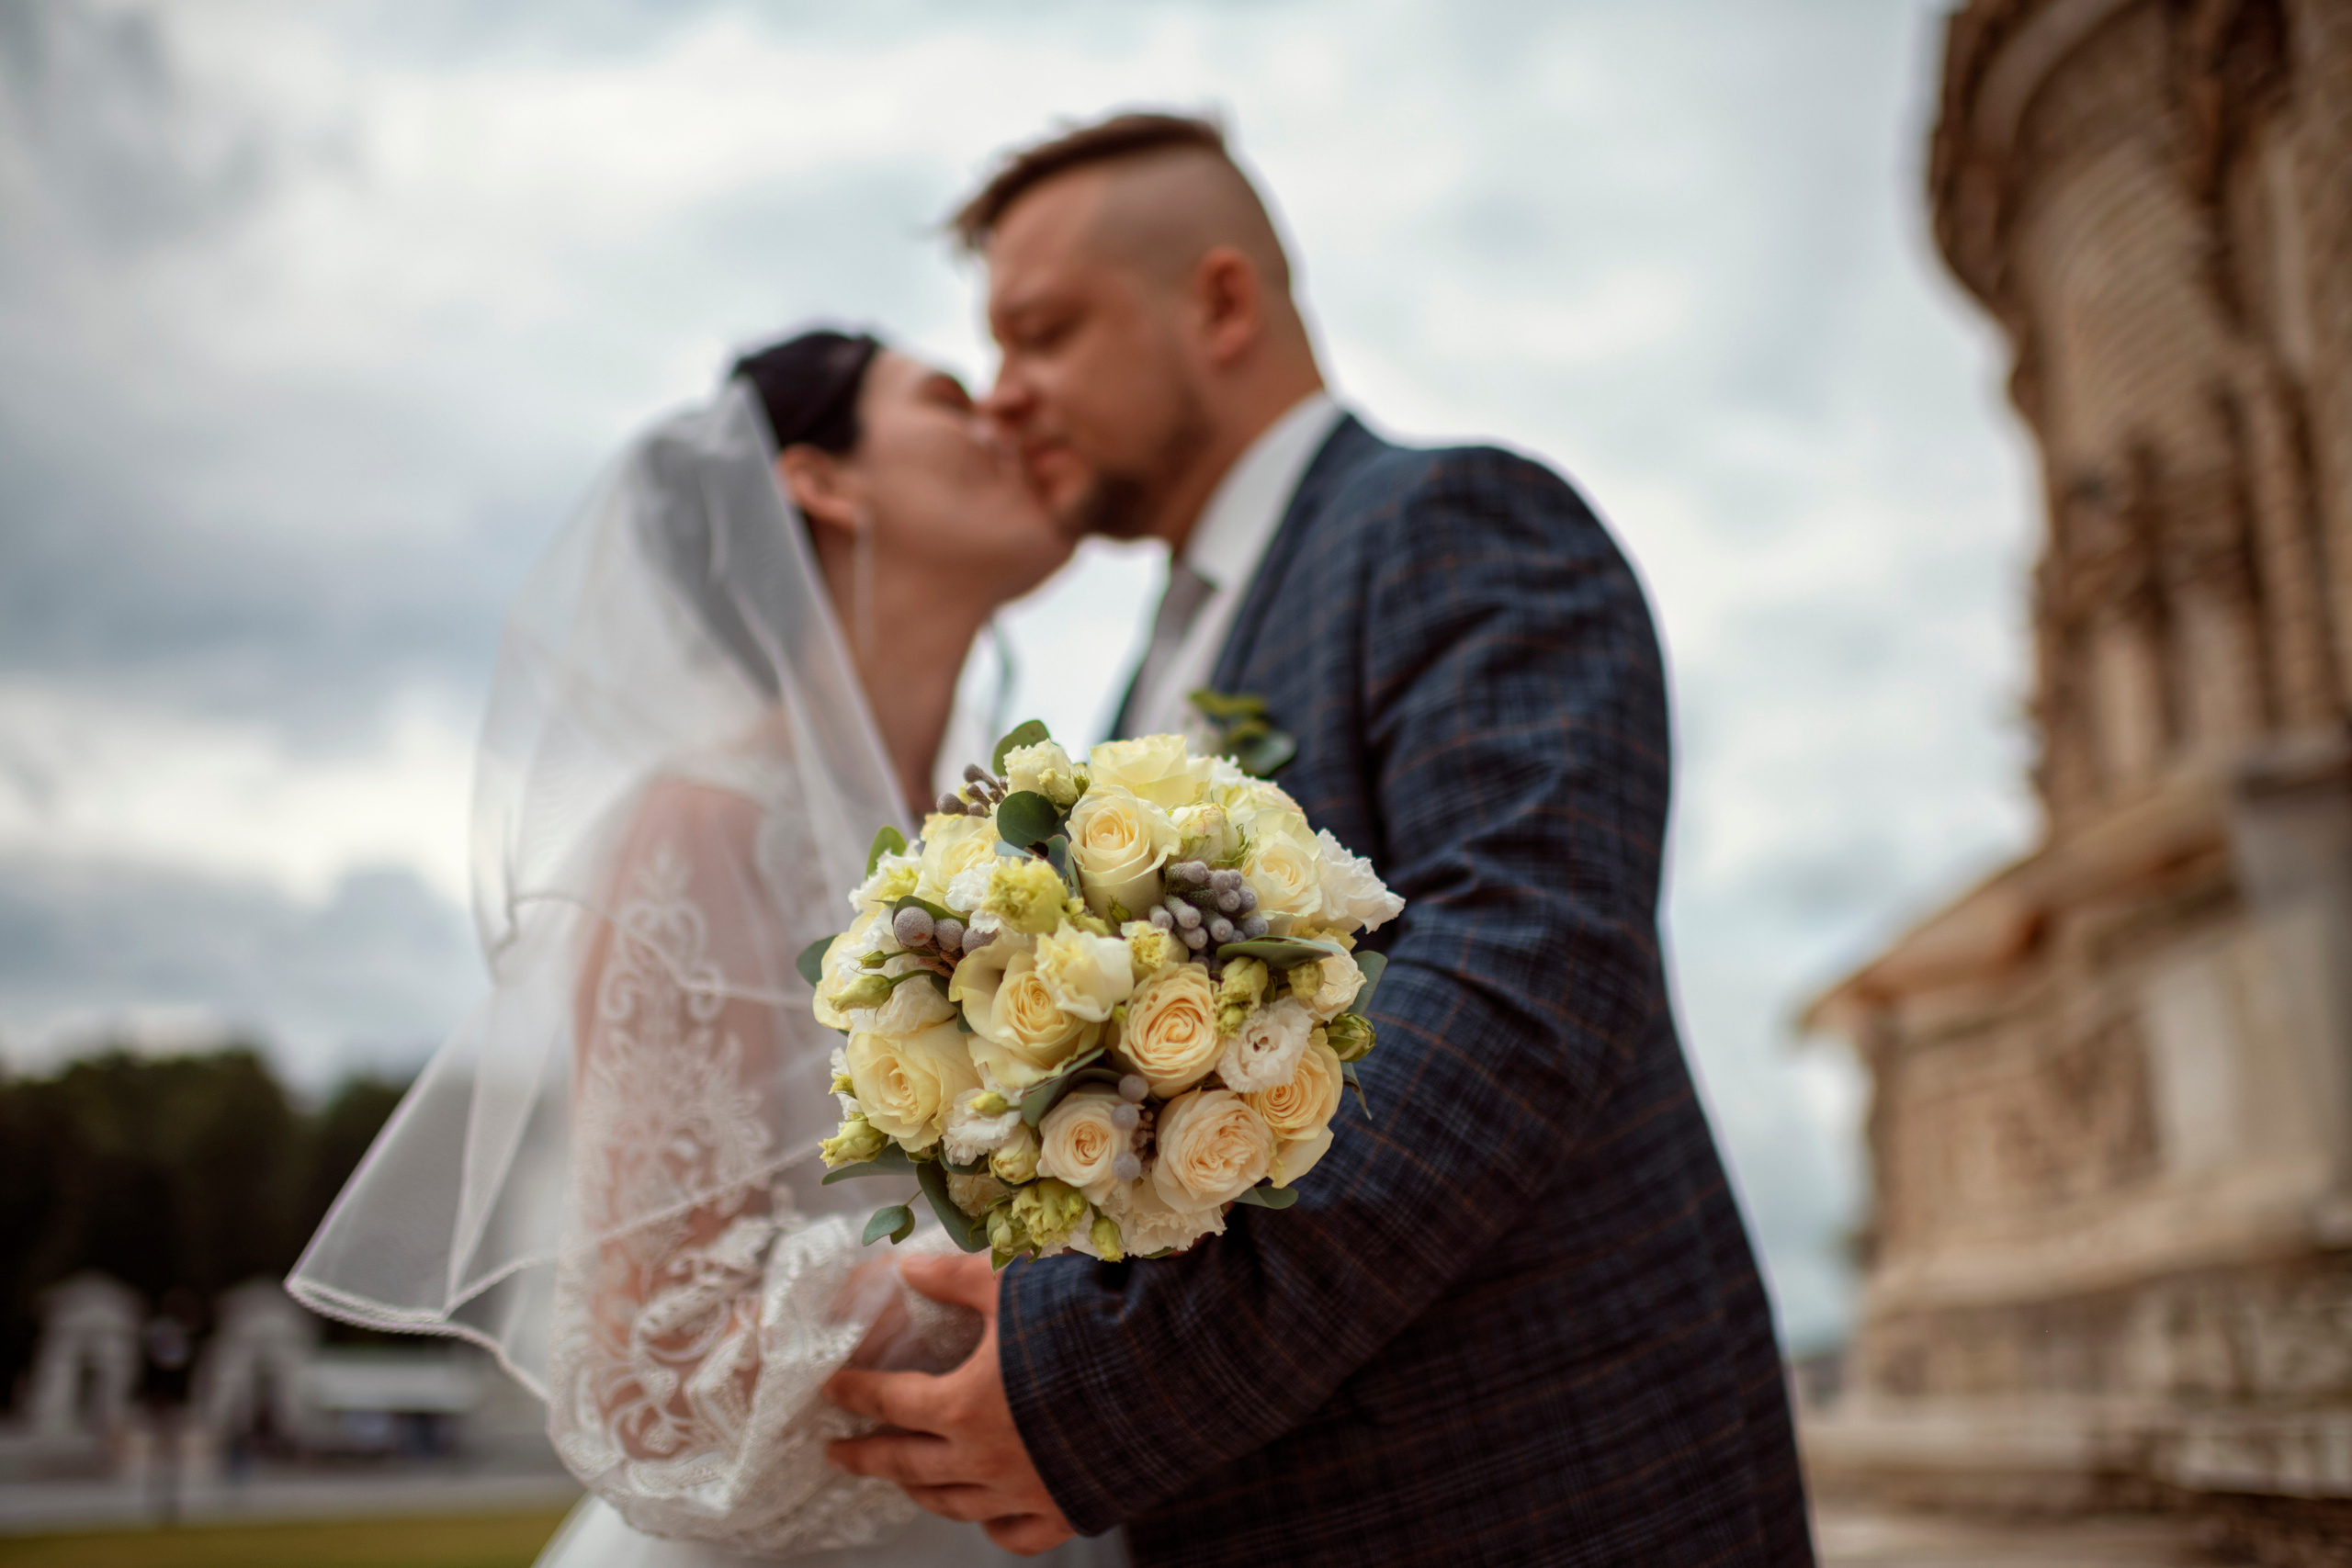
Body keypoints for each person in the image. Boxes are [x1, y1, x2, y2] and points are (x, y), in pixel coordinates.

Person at [820, 114, 1819, 1566]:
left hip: (1523, 1497)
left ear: (1219, 303)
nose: (1008, 398)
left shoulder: (1452, 523)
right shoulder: (1136, 680)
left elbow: (1515, 982)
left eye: (1042, 334)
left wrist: (1097, 1383)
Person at [289, 329, 1120, 1567]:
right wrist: (1086, 1272)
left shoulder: (1027, 841)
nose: (1006, 415)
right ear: (825, 482)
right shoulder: (702, 829)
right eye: (951, 399)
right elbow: (650, 1369)